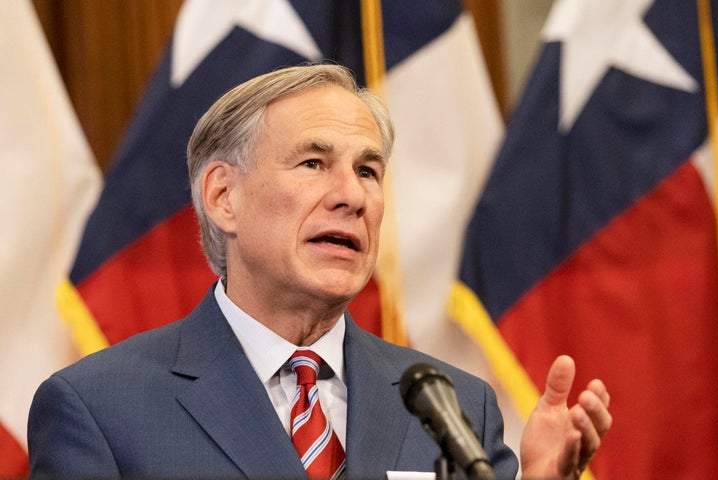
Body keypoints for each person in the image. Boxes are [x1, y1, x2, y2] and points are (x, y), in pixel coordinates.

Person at [28, 64, 611, 479]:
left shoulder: (455, 406)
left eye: (369, 171)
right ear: (224, 196)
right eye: (314, 162)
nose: (351, 196)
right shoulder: (100, 410)